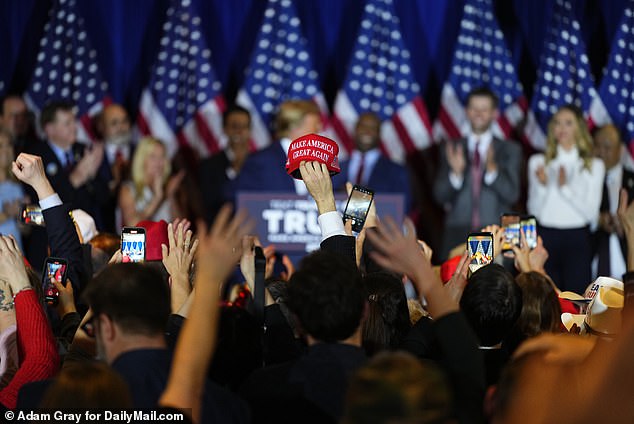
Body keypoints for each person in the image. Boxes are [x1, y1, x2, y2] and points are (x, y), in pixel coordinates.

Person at [434, 87, 522, 260]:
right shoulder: (452, 148)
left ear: (494, 113)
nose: (479, 114)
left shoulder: (510, 149)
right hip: (457, 232)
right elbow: (439, 196)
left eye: (484, 109)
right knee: (454, 284)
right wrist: (456, 175)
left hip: (496, 232)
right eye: (474, 108)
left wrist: (492, 170)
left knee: (492, 286)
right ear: (467, 111)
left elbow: (512, 195)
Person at [527, 104, 605, 293]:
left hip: (577, 239)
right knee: (546, 298)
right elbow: (533, 210)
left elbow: (592, 215)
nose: (562, 128)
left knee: (576, 298)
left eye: (568, 123)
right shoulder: (538, 162)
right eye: (557, 123)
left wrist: (565, 189)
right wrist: (544, 186)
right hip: (545, 237)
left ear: (579, 127)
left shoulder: (594, 166)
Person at [234, 99, 321, 196]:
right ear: (295, 126)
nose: (319, 128)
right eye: (315, 124)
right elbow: (240, 198)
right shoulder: (261, 162)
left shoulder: (321, 161)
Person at [332, 112, 413, 212]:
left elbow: (403, 208)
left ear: (379, 133)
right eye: (363, 126)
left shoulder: (397, 172)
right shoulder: (334, 169)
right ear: (355, 130)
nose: (367, 131)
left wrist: (359, 197)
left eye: (373, 127)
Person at [593, 124, 634, 279]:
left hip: (627, 262)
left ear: (621, 149)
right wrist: (598, 220)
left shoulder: (632, 181)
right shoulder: (586, 179)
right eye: (597, 146)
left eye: (607, 147)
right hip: (591, 260)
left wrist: (626, 225)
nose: (601, 152)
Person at [200, 105, 252, 224]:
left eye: (244, 127)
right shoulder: (208, 166)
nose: (240, 131)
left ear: (249, 130)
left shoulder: (261, 163)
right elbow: (208, 205)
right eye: (234, 126)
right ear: (225, 129)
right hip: (221, 231)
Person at [118, 136, 182, 227]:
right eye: (153, 157)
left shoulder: (166, 187)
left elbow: (180, 226)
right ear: (142, 159)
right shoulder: (127, 189)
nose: (159, 162)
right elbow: (133, 226)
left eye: (162, 156)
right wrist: (157, 198)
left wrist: (170, 195)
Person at [94, 103, 135, 233]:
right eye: (114, 123)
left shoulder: (140, 152)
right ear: (101, 127)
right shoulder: (92, 157)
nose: (121, 127)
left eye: (124, 121)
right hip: (105, 232)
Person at [0, 129, 24, 250]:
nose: (5, 150)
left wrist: (23, 214)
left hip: (17, 253)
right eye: (0, 146)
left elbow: (25, 230)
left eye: (8, 145)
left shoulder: (17, 183)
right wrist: (7, 214)